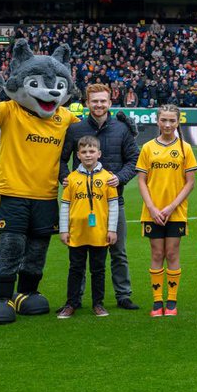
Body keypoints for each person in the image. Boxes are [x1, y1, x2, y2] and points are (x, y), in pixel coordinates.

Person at [59, 83, 140, 310]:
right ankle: (76, 299)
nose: (99, 105)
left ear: (110, 103)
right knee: (79, 253)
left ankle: (123, 295)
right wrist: (65, 178)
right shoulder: (75, 129)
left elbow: (135, 159)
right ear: (87, 103)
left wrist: (120, 178)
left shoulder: (121, 129)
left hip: (113, 202)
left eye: (103, 101)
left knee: (118, 251)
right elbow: (61, 159)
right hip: (81, 204)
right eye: (94, 101)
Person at [136, 104, 197, 318]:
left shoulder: (185, 148)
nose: (168, 124)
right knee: (156, 253)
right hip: (152, 212)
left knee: (171, 253)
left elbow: (190, 182)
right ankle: (157, 302)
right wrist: (152, 208)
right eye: (164, 120)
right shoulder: (147, 148)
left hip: (176, 212)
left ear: (178, 122)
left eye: (172, 120)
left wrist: (171, 207)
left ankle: (171, 301)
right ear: (157, 121)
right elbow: (142, 181)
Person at [56, 136, 119, 319]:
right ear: (78, 155)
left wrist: (112, 229)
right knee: (76, 269)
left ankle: (98, 304)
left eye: (92, 151)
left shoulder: (108, 178)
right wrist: (64, 230)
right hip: (77, 233)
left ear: (99, 153)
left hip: (99, 233)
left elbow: (113, 205)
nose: (88, 155)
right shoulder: (71, 179)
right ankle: (71, 304)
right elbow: (65, 205)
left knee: (98, 270)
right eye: (84, 152)